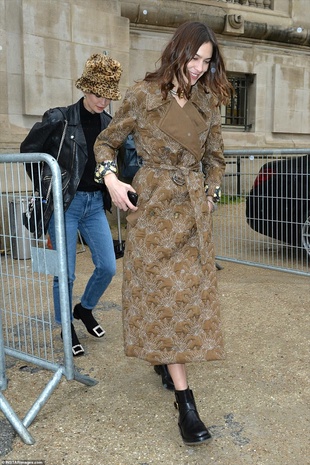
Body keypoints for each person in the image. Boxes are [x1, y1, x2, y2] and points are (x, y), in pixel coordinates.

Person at [94, 21, 232, 445]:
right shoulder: (141, 95)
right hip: (154, 213)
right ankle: (185, 403)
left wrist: (210, 195)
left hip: (191, 214)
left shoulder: (208, 100)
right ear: (178, 52)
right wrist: (112, 180)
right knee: (163, 294)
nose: (199, 68)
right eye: (194, 59)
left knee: (186, 296)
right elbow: (106, 143)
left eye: (207, 62)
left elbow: (216, 159)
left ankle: (176, 380)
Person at [20, 53, 123, 356]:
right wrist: (49, 185)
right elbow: (30, 151)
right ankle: (67, 327)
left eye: (108, 95)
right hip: (65, 206)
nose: (103, 101)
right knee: (64, 273)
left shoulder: (109, 124)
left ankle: (84, 308)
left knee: (107, 266)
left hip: (94, 206)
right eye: (98, 94)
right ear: (85, 88)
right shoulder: (59, 118)